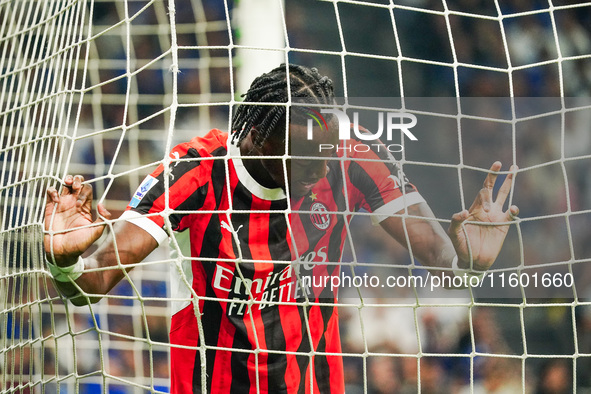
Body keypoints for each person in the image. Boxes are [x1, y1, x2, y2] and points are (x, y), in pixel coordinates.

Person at [44, 64, 519, 393]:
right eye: (304, 155)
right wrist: (65, 259)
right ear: (255, 137)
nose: (320, 167)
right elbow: (94, 284)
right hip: (215, 381)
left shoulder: (347, 156)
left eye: (327, 149)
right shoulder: (195, 173)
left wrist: (466, 262)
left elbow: (438, 252)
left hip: (313, 379)